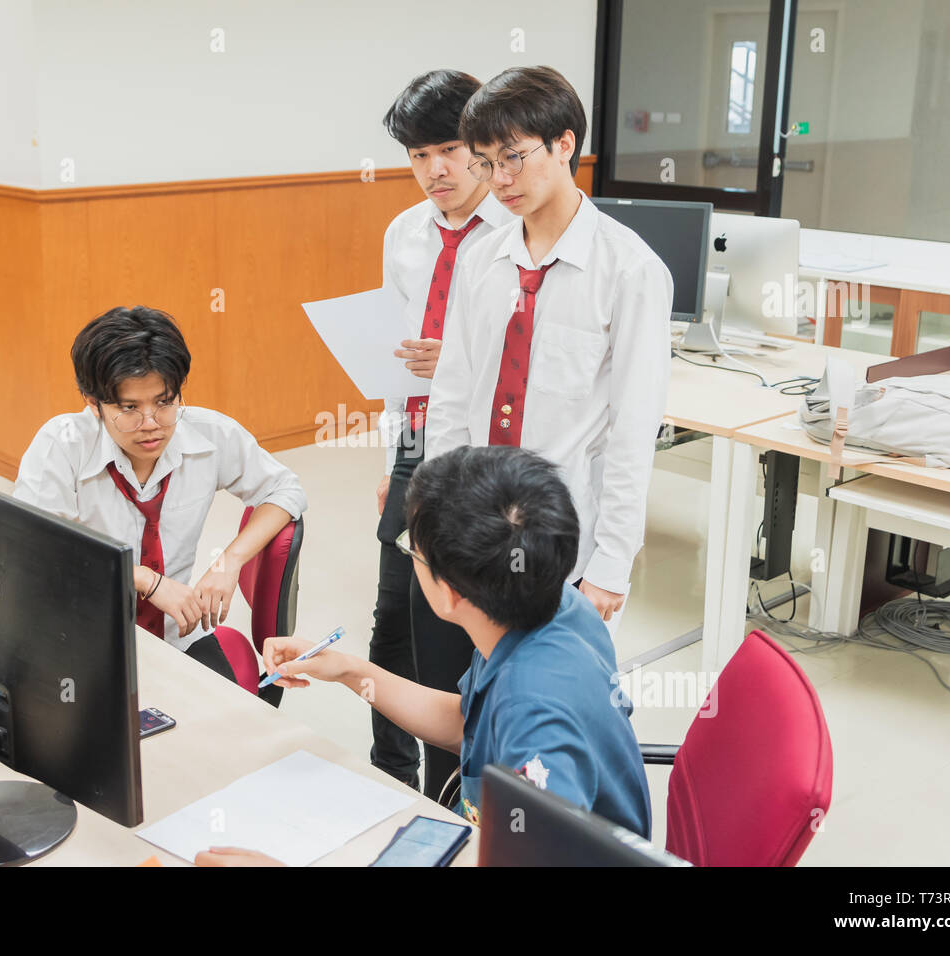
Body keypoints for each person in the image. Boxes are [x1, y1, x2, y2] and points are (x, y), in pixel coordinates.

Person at [264, 445, 652, 837]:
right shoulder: (548, 603)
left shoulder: (537, 715)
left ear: (449, 593)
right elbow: (468, 722)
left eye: (410, 547)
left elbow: (537, 848)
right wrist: (348, 670)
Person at [424, 63, 672, 645]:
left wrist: (611, 565)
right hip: (480, 524)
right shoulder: (481, 259)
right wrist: (440, 519)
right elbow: (453, 397)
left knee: (557, 698)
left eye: (514, 156)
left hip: (568, 538)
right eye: (485, 162)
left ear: (565, 145)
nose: (500, 178)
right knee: (482, 690)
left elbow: (634, 431)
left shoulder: (630, 270)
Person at [13, 306, 307, 685]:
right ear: (93, 403)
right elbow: (34, 547)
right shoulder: (62, 444)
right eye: (129, 408)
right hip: (79, 638)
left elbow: (285, 489)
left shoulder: (209, 435)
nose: (151, 424)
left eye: (165, 402)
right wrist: (144, 581)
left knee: (222, 731)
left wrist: (228, 562)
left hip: (178, 639)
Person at [370, 69, 516, 791]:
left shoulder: (516, 239)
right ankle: (386, 772)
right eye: (418, 155)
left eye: (451, 149)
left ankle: (448, 792)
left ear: (485, 148)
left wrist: (454, 359)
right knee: (391, 621)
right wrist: (392, 460)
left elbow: (526, 371)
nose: (436, 170)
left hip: (479, 463)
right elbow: (395, 363)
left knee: (451, 634)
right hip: (413, 448)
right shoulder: (403, 234)